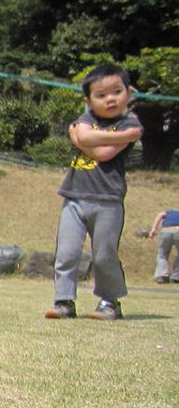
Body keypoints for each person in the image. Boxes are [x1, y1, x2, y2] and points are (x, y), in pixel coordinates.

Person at [45, 63, 143, 321]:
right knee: (66, 252)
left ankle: (110, 303)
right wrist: (115, 136)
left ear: (128, 95)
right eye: (101, 95)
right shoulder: (90, 118)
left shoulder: (130, 122)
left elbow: (101, 152)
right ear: (88, 101)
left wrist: (82, 138)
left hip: (108, 200)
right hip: (74, 197)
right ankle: (64, 301)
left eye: (117, 91)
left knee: (104, 255)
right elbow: (88, 139)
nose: (110, 99)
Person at [148, 208, 179, 284]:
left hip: (166, 230)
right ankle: (176, 277)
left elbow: (160, 215)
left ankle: (162, 275)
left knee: (162, 254)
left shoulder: (169, 212)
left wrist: (154, 229)